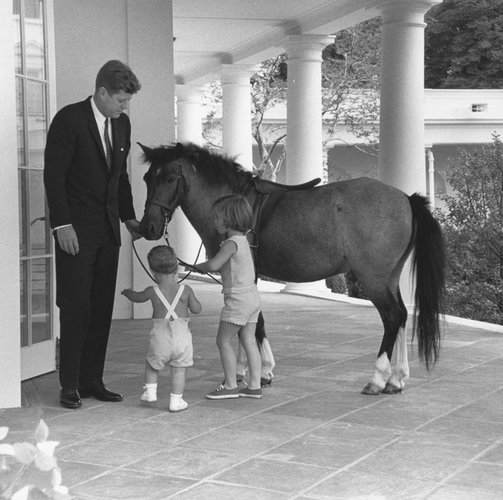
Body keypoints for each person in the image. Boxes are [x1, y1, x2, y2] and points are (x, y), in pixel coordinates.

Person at [44, 60, 143, 409]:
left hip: (108, 232)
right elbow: (53, 176)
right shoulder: (68, 120)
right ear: (102, 92)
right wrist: (61, 225)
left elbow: (121, 176)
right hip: (75, 231)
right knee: (77, 306)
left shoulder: (122, 125)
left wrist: (129, 218)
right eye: (121, 100)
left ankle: (92, 381)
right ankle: (69, 384)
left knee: (101, 306)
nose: (125, 107)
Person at [195, 194, 263, 400]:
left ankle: (231, 385)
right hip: (252, 297)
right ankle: (254, 386)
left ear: (228, 219)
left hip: (238, 300)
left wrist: (197, 267)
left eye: (217, 217)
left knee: (223, 340)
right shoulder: (244, 241)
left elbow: (214, 265)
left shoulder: (230, 243)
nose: (214, 221)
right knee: (249, 340)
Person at [121, 246, 201, 412]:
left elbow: (137, 297)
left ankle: (150, 392)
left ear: (153, 271)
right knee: (179, 370)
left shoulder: (152, 291)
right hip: (182, 339)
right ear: (176, 268)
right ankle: (176, 401)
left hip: (160, 338)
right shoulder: (186, 290)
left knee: (152, 365)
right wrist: (193, 302)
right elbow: (196, 309)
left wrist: (128, 292)